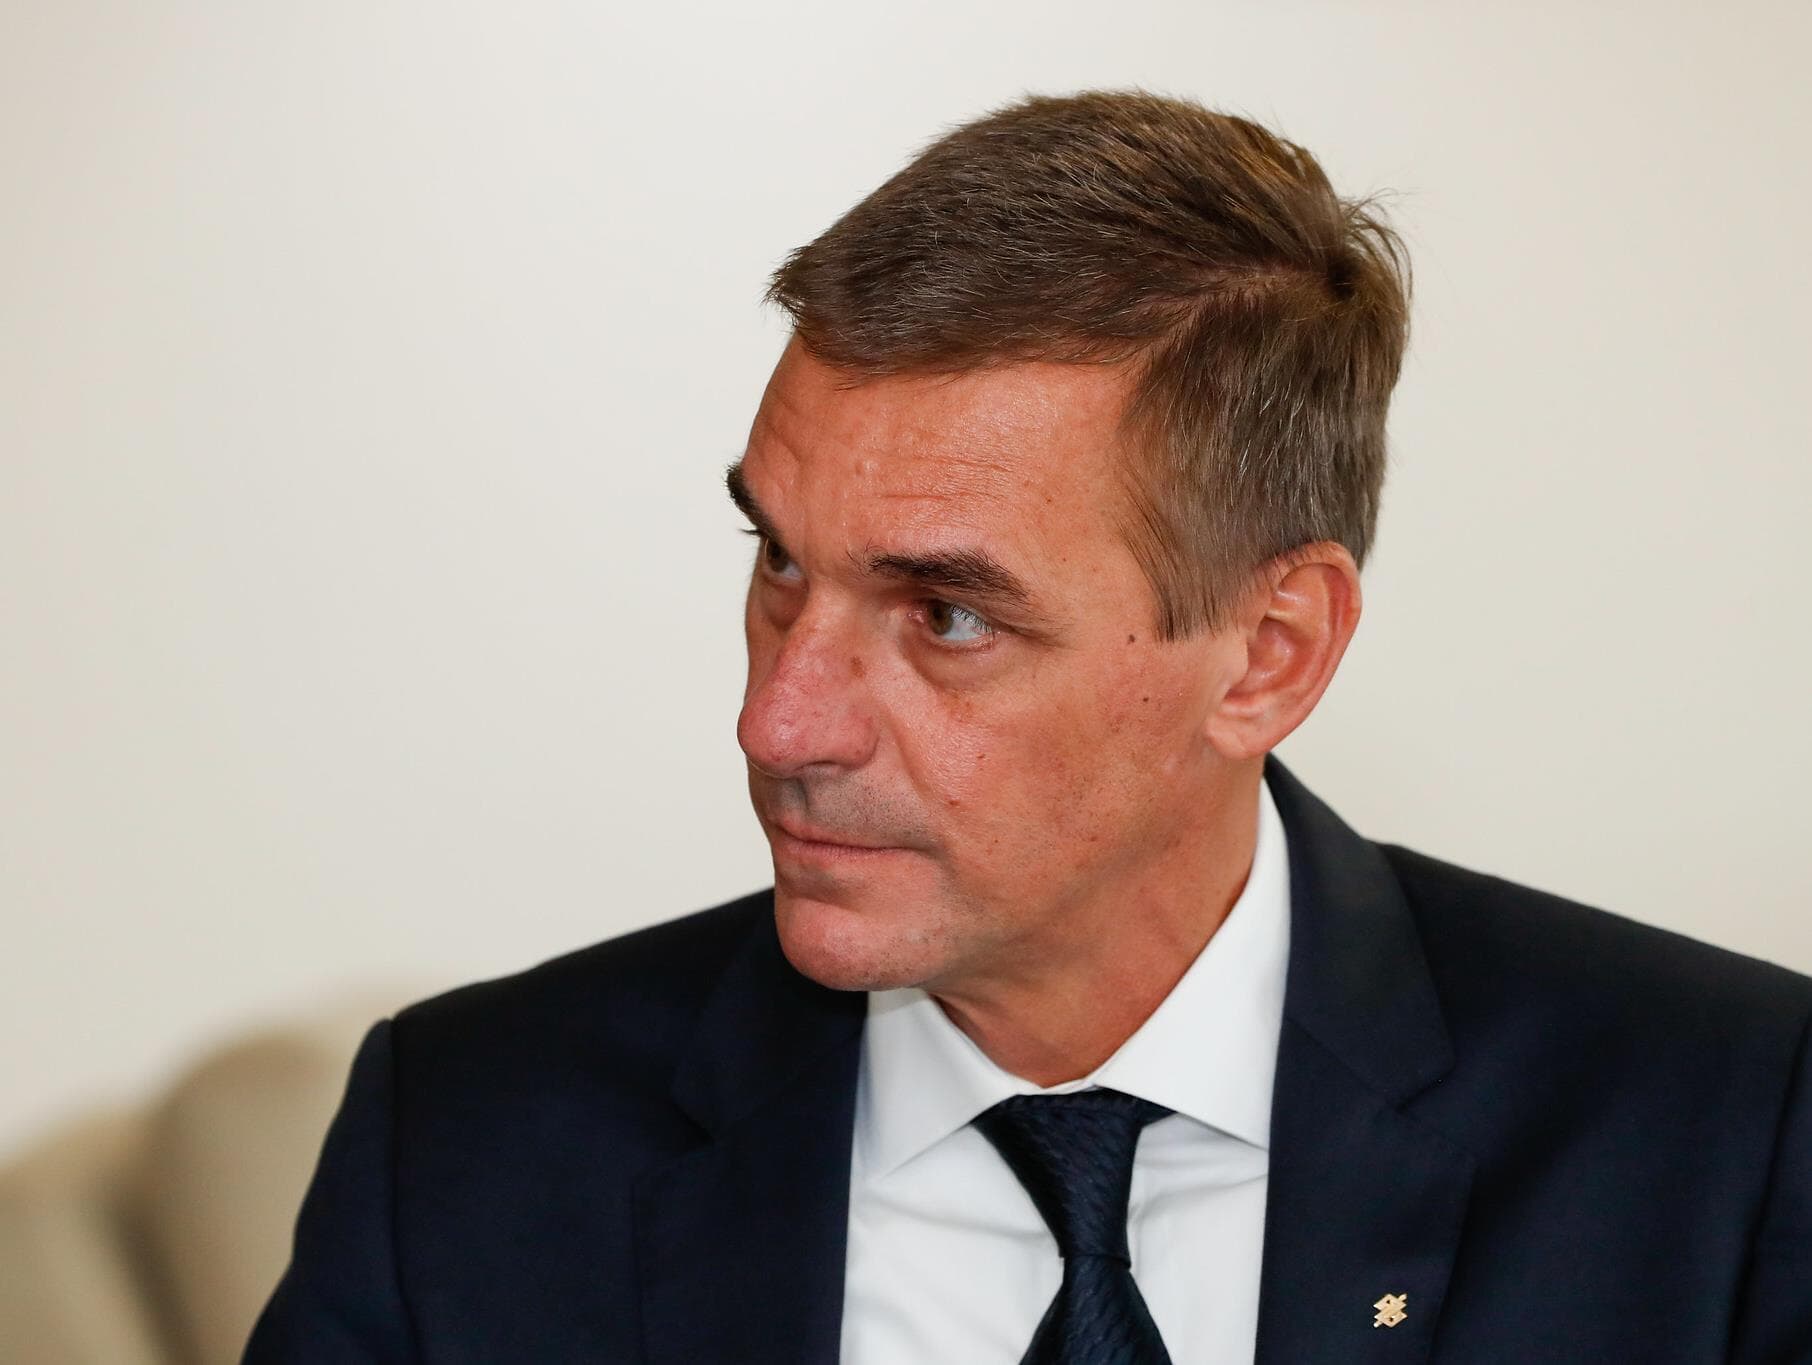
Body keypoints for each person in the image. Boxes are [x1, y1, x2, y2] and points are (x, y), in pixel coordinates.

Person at [244, 91, 1811, 1364]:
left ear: (1268, 654)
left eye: (947, 615)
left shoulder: (1725, 1139)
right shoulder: (466, 1146)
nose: (779, 718)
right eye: (779, 562)